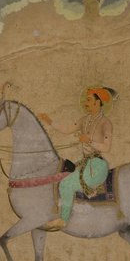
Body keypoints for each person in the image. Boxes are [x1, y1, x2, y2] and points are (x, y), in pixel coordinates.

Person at [38, 87, 117, 230]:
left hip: (98, 166)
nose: (86, 103)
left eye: (89, 100)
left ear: (97, 102)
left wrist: (89, 140)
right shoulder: (84, 120)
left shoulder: (106, 123)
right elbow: (67, 129)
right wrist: (49, 121)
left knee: (66, 183)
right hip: (86, 164)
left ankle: (63, 220)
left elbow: (106, 147)